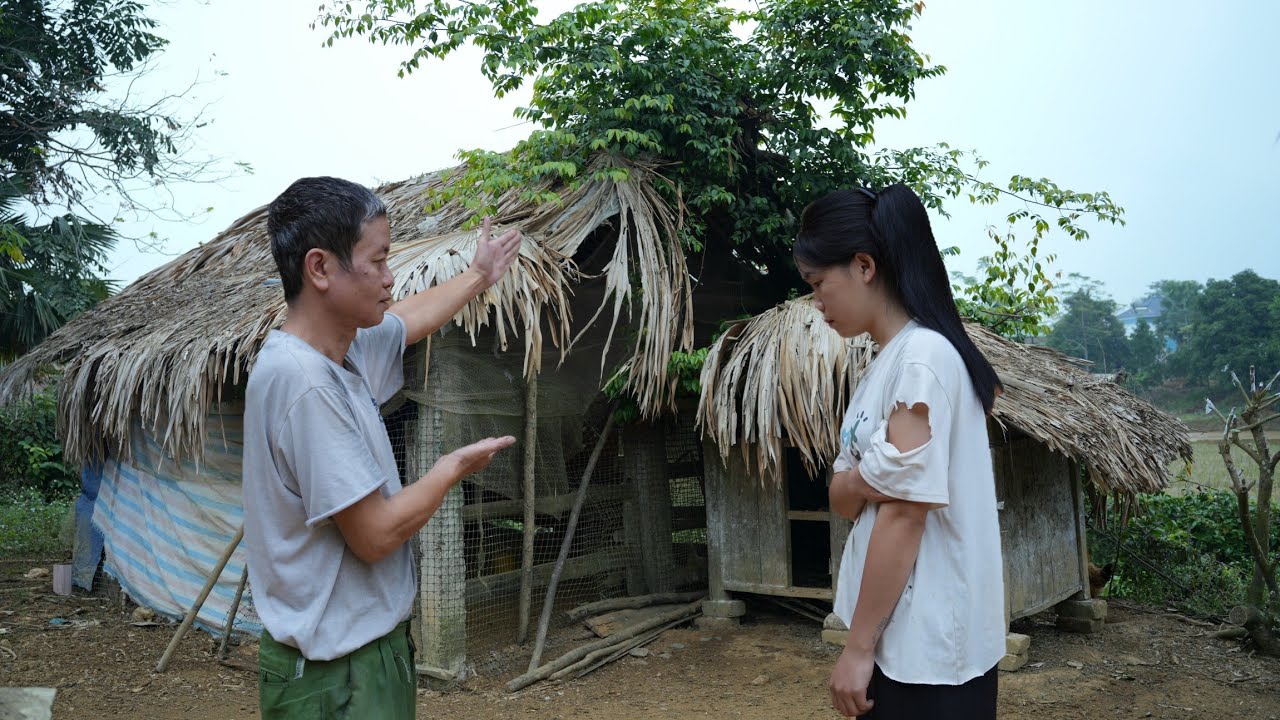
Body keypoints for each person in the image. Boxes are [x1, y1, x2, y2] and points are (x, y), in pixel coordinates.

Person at [242, 176, 520, 719]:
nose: (391, 279)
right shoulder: (307, 384)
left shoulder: (338, 351)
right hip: (336, 675)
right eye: (378, 261)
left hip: (362, 652)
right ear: (320, 268)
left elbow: (405, 321)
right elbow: (373, 535)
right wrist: (450, 470)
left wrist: (479, 275)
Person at [794, 184, 1006, 719]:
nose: (816, 303)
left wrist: (857, 647)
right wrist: (871, 479)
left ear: (864, 265)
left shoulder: (923, 359)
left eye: (819, 283)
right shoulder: (884, 363)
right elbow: (841, 495)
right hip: (904, 640)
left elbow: (904, 515)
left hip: (929, 655)